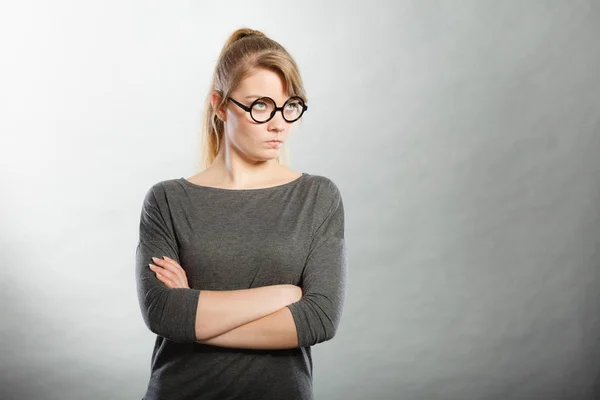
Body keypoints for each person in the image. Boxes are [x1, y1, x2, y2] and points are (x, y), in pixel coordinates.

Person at [135, 27, 347, 400]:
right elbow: (165, 314)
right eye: (261, 105)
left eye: (291, 105)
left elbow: (319, 318)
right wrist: (283, 294)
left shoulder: (317, 197)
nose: (280, 123)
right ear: (219, 105)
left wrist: (195, 316)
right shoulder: (167, 200)